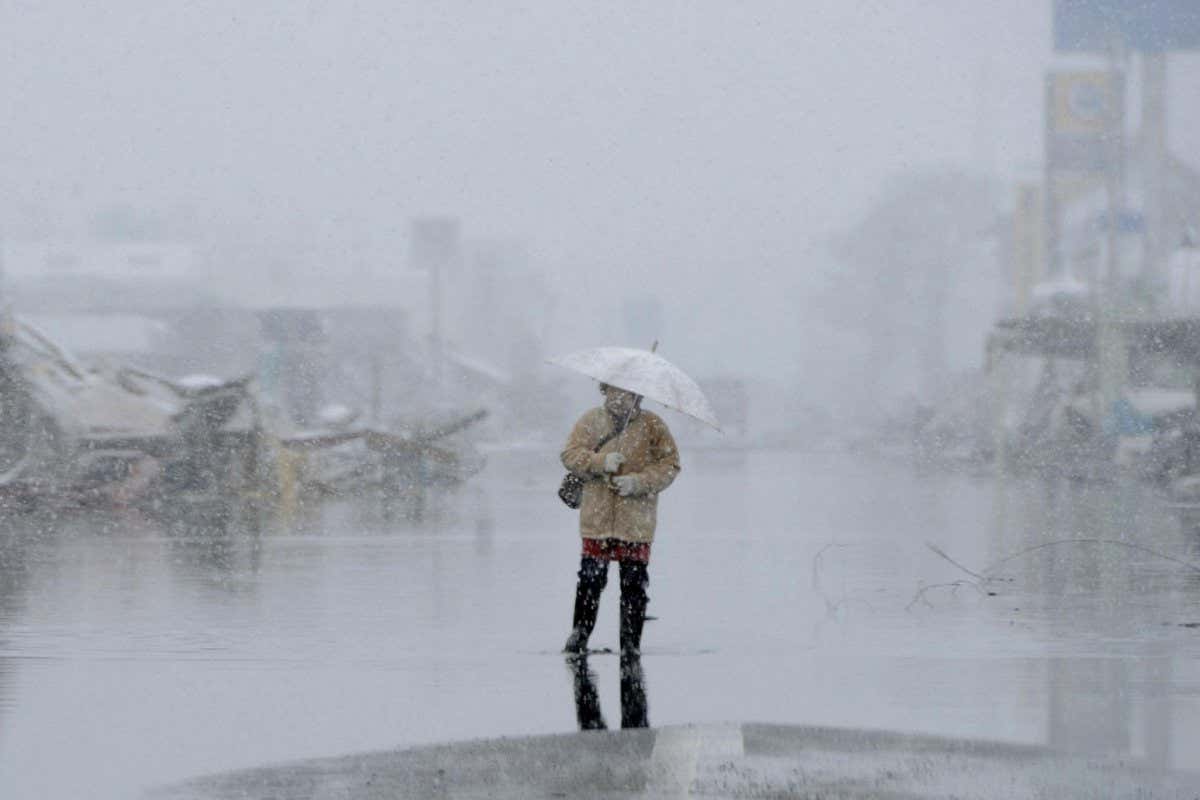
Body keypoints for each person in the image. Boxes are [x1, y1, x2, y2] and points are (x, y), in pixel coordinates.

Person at [560, 383, 681, 654]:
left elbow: (670, 465)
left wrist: (637, 482)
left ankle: (630, 645)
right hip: (597, 520)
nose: (620, 397)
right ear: (605, 391)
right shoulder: (590, 421)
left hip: (636, 523)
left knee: (634, 585)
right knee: (590, 581)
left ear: (639, 395)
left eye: (627, 392)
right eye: (615, 391)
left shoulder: (653, 425)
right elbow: (569, 455)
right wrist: (601, 462)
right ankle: (579, 636)